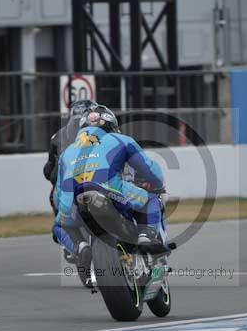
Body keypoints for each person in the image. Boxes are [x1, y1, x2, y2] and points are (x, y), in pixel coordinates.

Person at [52, 105, 168, 262]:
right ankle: (146, 238)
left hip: (73, 203)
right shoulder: (120, 140)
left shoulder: (66, 153)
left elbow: (57, 196)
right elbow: (150, 170)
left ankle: (80, 246)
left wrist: (64, 208)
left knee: (58, 226)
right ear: (111, 125)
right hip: (110, 191)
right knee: (151, 199)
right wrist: (158, 184)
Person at [43, 100, 97, 214]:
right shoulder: (98, 134)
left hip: (63, 194)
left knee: (61, 226)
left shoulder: (57, 136)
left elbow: (48, 171)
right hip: (89, 192)